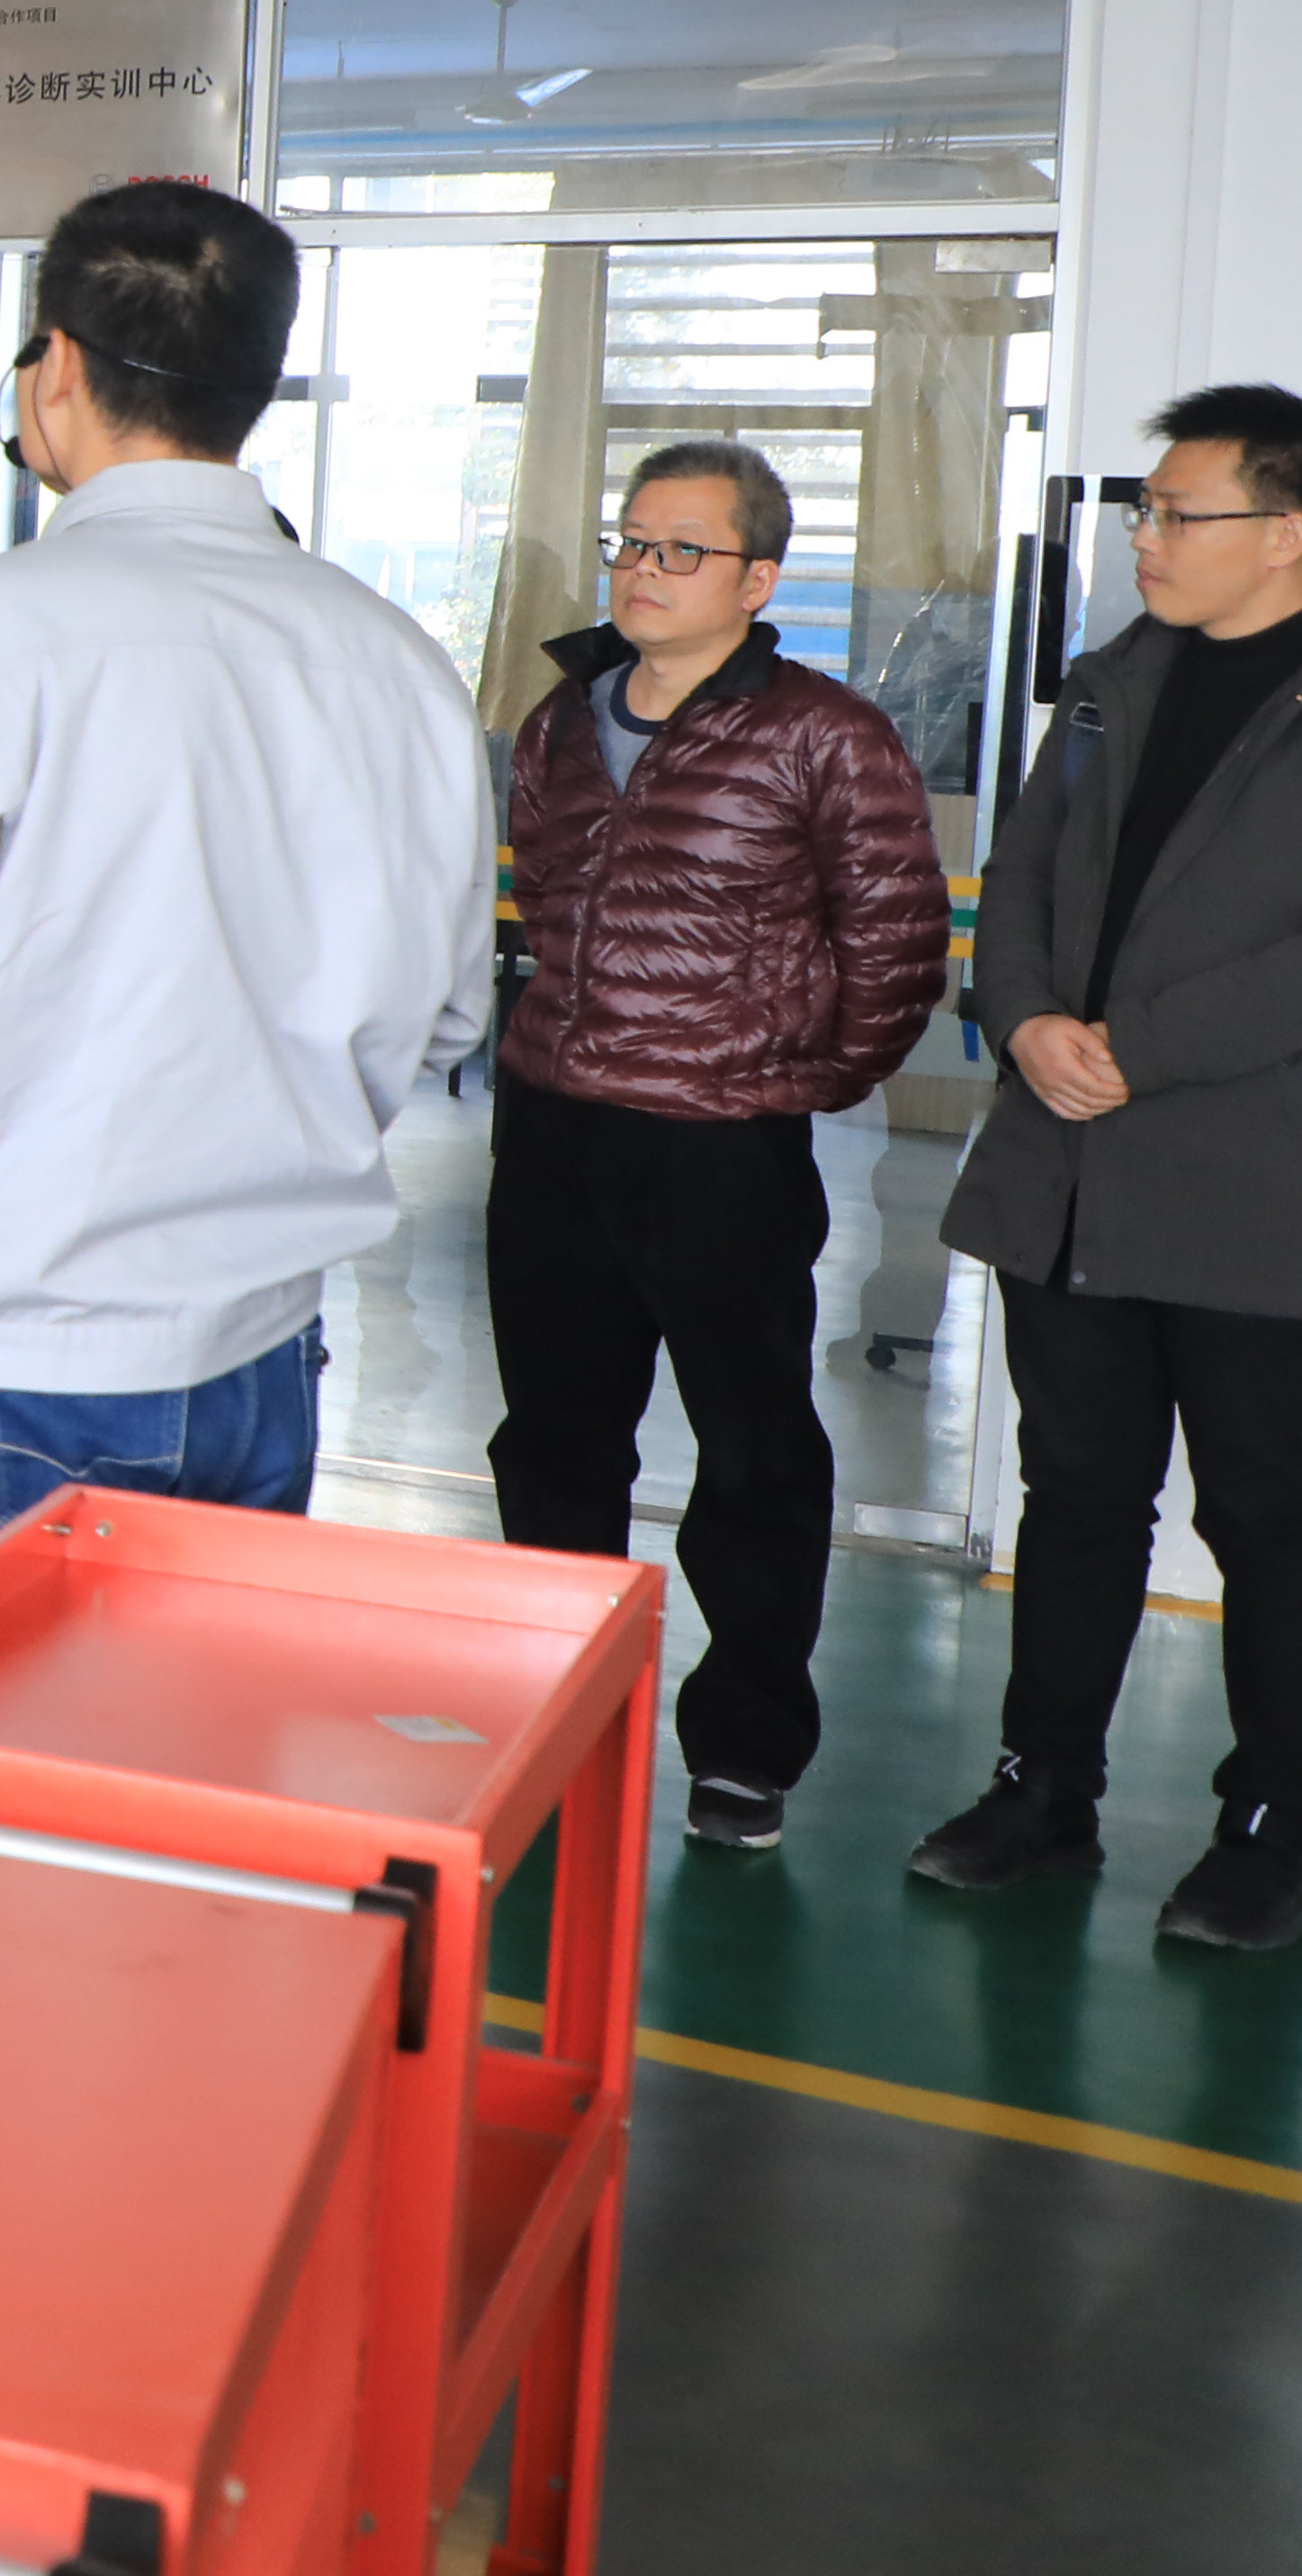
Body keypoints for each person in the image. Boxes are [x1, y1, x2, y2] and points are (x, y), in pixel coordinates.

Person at [0, 185, 490, 1581]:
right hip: (266, 1337)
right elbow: (448, 1018)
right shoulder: (393, 658)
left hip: (19, 1338)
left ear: (59, 368)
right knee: (192, 1711)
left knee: (4, 1720)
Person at [915, 385, 1302, 1956]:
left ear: (1285, 533)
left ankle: (1272, 1840)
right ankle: (1039, 1793)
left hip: (1251, 1183)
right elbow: (1017, 878)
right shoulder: (1106, 683)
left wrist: (1132, 1044)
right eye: (1144, 510)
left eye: (1177, 513)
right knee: (1074, 1499)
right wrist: (1021, 1019)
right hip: (1062, 1169)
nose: (1144, 537)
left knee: (1265, 1516)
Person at [483, 439, 949, 1855]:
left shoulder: (824, 732)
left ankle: (743, 1749)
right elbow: (538, 895)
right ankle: (557, 1717)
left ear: (757, 580)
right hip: (555, 1131)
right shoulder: (563, 718)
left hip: (719, 1147)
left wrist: (799, 1076)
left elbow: (895, 937)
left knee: (751, 1454)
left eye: (681, 550)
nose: (644, 570)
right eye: (631, 543)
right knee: (554, 1446)